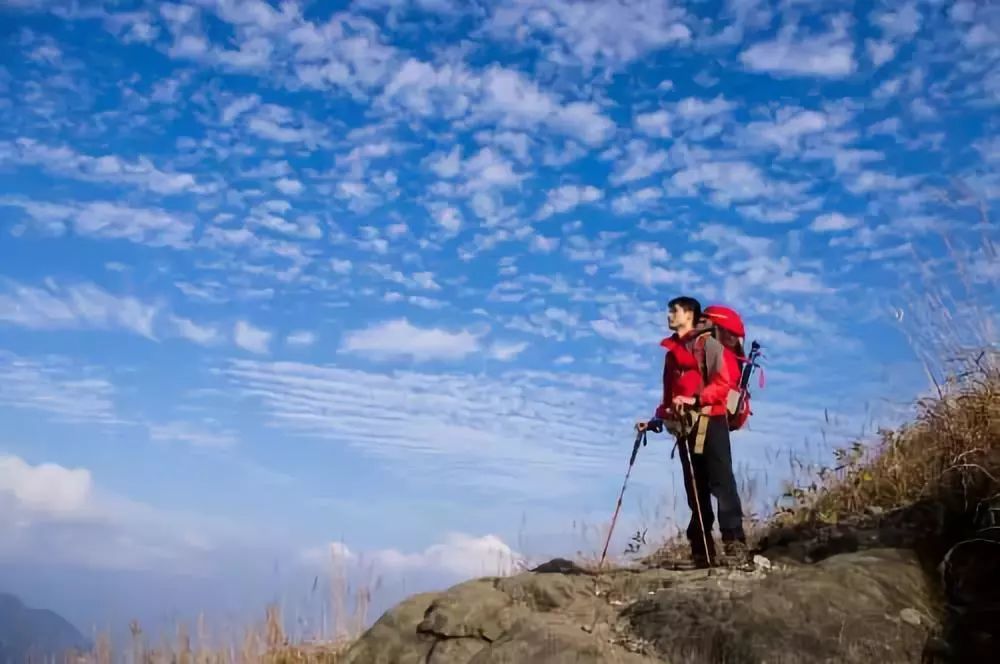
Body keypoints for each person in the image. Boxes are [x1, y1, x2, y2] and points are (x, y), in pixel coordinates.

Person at [655, 295, 748, 568]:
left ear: (690, 315)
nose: (670, 315)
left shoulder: (709, 345)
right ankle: (702, 553)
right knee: (695, 491)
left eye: (675, 310)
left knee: (721, 484)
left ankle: (735, 548)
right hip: (686, 428)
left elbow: (724, 383)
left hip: (712, 420)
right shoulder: (672, 355)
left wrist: (696, 400)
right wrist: (655, 419)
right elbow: (669, 396)